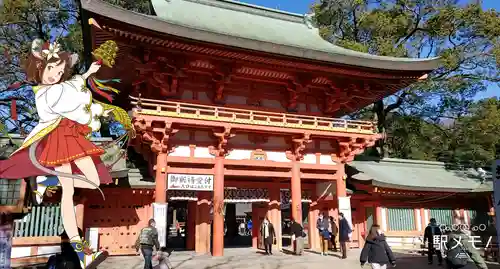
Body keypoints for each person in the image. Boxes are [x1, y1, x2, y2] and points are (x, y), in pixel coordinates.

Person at [1, 39, 113, 268]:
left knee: (93, 182)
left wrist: (88, 72)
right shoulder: (43, 93)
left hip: (71, 136)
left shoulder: (62, 86)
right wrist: (93, 112)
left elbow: (73, 84)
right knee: (68, 193)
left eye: (60, 71)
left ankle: (46, 179)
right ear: (41, 66)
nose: (55, 74)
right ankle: (83, 254)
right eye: (51, 68)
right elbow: (68, 100)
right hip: (57, 138)